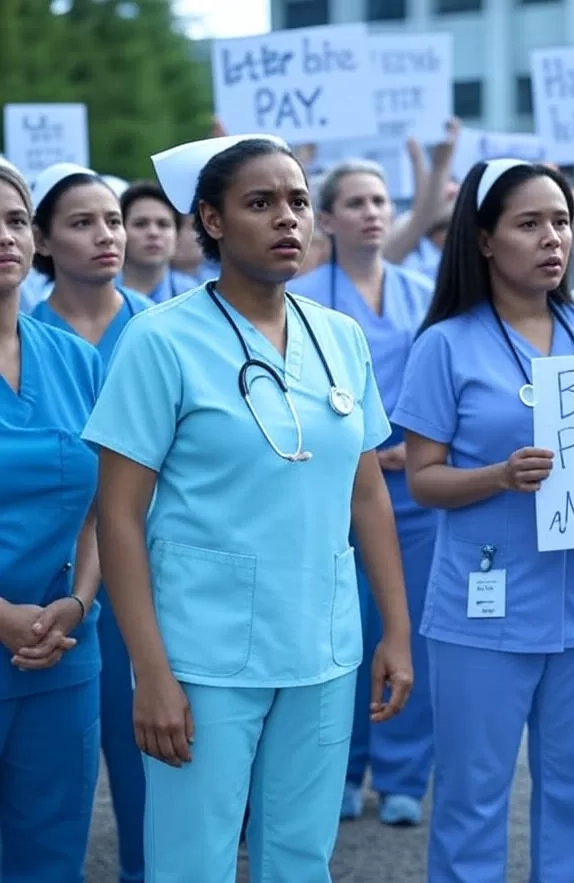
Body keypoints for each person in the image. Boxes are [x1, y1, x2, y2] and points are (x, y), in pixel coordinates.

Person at [81, 133, 414, 883]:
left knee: (299, 858)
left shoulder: (341, 338)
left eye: (297, 201)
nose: (287, 218)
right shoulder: (159, 339)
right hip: (202, 653)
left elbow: (367, 493)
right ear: (213, 220)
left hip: (321, 644)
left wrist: (394, 628)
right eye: (260, 203)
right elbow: (120, 516)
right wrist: (152, 671)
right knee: (191, 861)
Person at [391, 158, 574, 883]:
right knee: (472, 798)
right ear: (486, 239)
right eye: (530, 223)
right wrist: (499, 475)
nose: (552, 238)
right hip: (485, 609)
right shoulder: (445, 344)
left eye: (560, 221)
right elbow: (423, 478)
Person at [290, 159, 437, 827]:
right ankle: (344, 770)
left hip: (418, 485)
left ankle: (404, 774)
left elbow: (442, 381)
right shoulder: (303, 296)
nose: (372, 212)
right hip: (336, 488)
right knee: (342, 628)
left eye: (380, 199)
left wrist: (421, 447)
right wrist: (364, 453)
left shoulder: (423, 288)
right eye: (354, 202)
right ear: (327, 218)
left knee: (413, 633)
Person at [30, 161, 152, 883]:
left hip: (154, 571)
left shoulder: (162, 326)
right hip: (55, 582)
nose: (107, 235)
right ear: (42, 239)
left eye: (112, 219)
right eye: (82, 222)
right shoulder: (25, 334)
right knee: (48, 778)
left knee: (152, 757)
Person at [0, 159, 103, 881]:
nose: (3, 237)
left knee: (51, 852)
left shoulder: (77, 360)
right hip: (13, 626)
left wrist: (78, 600)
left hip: (63, 645)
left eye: (11, 220)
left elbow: (109, 505)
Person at [117, 180, 196, 302]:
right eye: (140, 224)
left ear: (177, 235)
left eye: (163, 224)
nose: (153, 233)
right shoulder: (98, 291)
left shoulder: (193, 297)